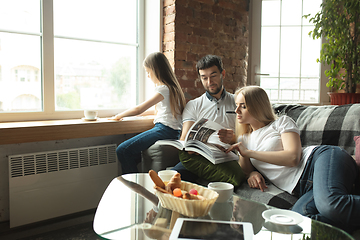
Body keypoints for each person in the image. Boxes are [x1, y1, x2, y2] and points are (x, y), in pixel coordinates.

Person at [226, 85, 360, 233]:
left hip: (320, 159)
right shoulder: (244, 139)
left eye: (243, 106)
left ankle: (338, 194)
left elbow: (293, 157)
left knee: (330, 205)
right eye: (236, 106)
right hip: (305, 188)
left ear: (257, 106)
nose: (237, 111)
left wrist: (249, 153)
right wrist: (251, 172)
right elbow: (246, 171)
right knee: (300, 221)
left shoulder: (281, 122)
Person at [111, 52, 186, 174]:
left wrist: (119, 116)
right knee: (131, 153)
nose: (147, 75)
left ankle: (134, 186)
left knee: (122, 150)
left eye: (148, 71)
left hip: (165, 129)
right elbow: (157, 110)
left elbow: (139, 109)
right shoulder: (173, 89)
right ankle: (136, 177)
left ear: (156, 70)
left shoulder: (163, 89)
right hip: (173, 130)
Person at [172, 54, 237, 182]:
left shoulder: (237, 101)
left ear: (222, 74)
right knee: (172, 179)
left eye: (213, 76)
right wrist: (191, 148)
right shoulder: (194, 105)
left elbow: (250, 135)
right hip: (201, 157)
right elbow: (184, 137)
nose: (209, 82)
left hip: (228, 157)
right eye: (204, 78)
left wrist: (233, 137)